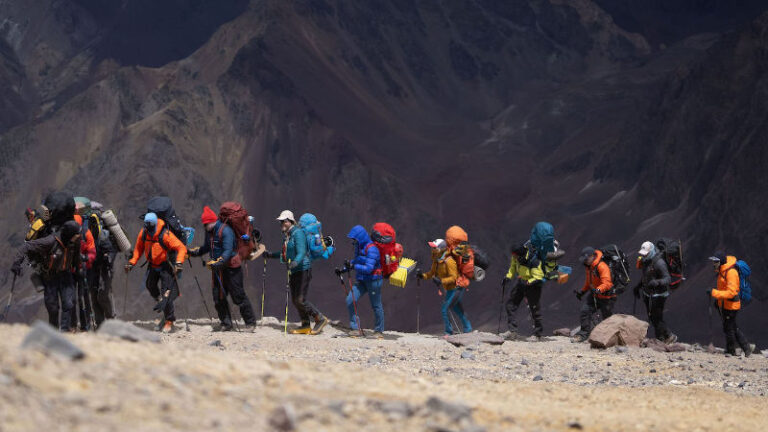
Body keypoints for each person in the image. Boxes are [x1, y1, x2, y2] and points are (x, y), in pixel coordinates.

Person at [189, 206, 258, 332]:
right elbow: (207, 247)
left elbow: (227, 251)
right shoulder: (209, 231)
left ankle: (250, 323)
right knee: (218, 297)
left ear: (212, 221)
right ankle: (226, 323)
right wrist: (194, 252)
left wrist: (219, 261)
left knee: (238, 296)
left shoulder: (225, 231)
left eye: (206, 224)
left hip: (232, 267)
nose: (205, 227)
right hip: (218, 268)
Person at [265, 210, 328, 335]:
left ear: (291, 221)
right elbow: (285, 253)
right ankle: (305, 324)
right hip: (295, 270)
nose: (282, 223)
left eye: (284, 221)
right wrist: (271, 255)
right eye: (281, 221)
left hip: (303, 269)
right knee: (295, 299)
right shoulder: (288, 235)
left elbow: (301, 252)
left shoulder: (297, 233)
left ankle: (320, 318)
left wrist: (296, 262)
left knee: (300, 299)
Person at [11, 221, 81, 331]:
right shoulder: (50, 241)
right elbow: (27, 246)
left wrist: (79, 270)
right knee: (53, 308)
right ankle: (53, 332)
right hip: (50, 277)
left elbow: (76, 258)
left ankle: (64, 332)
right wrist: (17, 263)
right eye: (76, 235)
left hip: (66, 275)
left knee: (68, 304)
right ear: (69, 234)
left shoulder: (75, 241)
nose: (78, 237)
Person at [125, 212, 187, 333]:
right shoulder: (143, 233)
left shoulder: (165, 235)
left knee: (166, 294)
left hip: (165, 266)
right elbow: (138, 250)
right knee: (150, 285)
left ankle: (170, 321)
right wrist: (131, 262)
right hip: (152, 266)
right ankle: (161, 302)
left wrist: (179, 262)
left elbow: (181, 248)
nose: (148, 229)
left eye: (150, 227)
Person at [417, 238, 471, 337]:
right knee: (457, 308)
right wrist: (422, 276)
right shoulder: (436, 260)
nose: (432, 250)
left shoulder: (449, 261)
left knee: (445, 309)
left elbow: (454, 277)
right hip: (450, 289)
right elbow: (431, 273)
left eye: (434, 248)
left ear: (441, 249)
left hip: (457, 287)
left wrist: (441, 281)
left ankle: (449, 332)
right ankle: (468, 329)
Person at [340, 225, 384, 337]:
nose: (353, 241)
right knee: (350, 300)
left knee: (376, 305)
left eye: (354, 239)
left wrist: (353, 266)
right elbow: (356, 261)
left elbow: (369, 268)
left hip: (374, 280)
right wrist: (344, 269)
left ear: (360, 237)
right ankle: (355, 328)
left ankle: (379, 331)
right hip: (362, 280)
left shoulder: (372, 249)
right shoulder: (358, 247)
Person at [708, 252, 752, 357]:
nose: (713, 263)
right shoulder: (722, 270)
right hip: (725, 304)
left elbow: (731, 292)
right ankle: (745, 348)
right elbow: (724, 289)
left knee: (729, 328)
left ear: (721, 262)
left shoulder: (731, 272)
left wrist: (714, 293)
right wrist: (718, 301)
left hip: (731, 306)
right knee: (731, 327)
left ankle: (731, 350)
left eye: (715, 261)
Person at [502, 241, 545, 341]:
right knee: (510, 305)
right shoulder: (516, 257)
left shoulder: (533, 260)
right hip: (521, 282)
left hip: (533, 285)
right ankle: (512, 331)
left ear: (519, 253)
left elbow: (538, 276)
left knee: (534, 309)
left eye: (514, 255)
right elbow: (512, 268)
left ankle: (537, 335)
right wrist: (508, 277)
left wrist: (529, 282)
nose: (513, 257)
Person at [633, 241, 676, 343]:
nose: (644, 255)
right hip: (648, 293)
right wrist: (638, 287)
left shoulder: (659, 263)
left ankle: (669, 336)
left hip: (659, 295)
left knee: (656, 317)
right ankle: (660, 338)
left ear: (651, 251)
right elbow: (646, 277)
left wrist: (657, 282)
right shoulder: (646, 261)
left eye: (646, 253)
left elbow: (667, 279)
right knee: (652, 317)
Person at [572, 247, 615, 343]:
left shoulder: (602, 266)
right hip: (595, 294)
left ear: (592, 256)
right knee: (585, 311)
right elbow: (589, 282)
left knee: (607, 318)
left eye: (586, 259)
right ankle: (583, 334)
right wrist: (582, 292)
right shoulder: (589, 267)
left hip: (607, 297)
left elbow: (608, 283)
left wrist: (599, 289)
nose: (585, 262)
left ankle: (610, 338)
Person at [71, 214, 96, 331]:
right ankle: (74, 324)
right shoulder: (68, 235)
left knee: (82, 298)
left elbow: (92, 252)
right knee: (71, 299)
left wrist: (85, 258)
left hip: (82, 269)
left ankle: (85, 325)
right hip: (71, 270)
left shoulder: (86, 234)